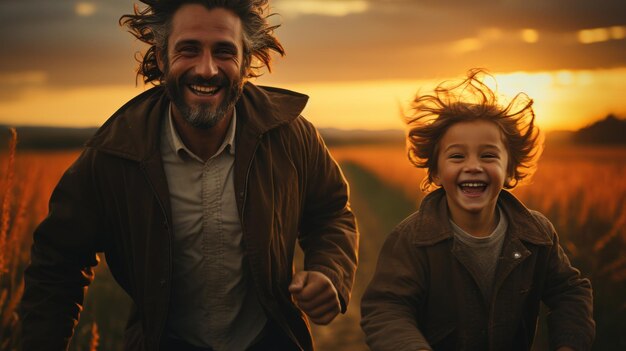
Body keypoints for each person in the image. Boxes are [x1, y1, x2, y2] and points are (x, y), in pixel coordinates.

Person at [19, 1, 359, 350]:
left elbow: (331, 213)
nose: (207, 69)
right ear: (162, 57)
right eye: (189, 49)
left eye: (224, 51)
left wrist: (329, 272)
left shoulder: (290, 136)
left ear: (246, 62)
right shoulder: (114, 154)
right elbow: (56, 267)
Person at [360, 69, 595, 351]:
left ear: (510, 171)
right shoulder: (411, 239)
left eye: (488, 155)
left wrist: (569, 344)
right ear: (435, 172)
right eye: (457, 156)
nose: (473, 166)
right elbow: (387, 308)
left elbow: (569, 291)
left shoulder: (537, 234)